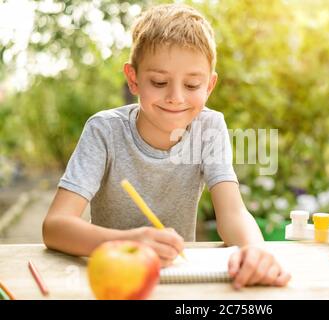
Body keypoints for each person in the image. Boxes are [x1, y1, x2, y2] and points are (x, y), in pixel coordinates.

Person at [42, 3, 290, 289]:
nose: (175, 97)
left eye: (192, 85)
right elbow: (55, 226)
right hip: (112, 281)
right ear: (133, 79)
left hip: (177, 279)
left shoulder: (209, 127)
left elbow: (232, 214)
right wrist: (130, 241)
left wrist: (254, 250)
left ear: (209, 86)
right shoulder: (104, 131)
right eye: (159, 82)